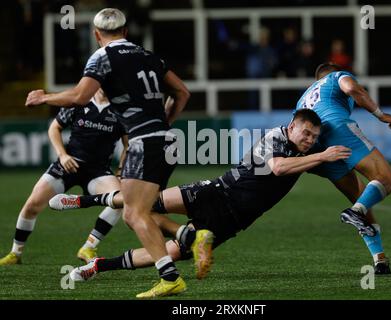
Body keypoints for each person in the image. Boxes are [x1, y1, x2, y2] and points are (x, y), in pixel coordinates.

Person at [24, 8, 210, 299]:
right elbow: (183, 92)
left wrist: (44, 96)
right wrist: (163, 124)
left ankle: (171, 275)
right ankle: (187, 237)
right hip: (167, 141)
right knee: (140, 208)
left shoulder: (102, 57)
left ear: (96, 35)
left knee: (134, 213)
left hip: (143, 142)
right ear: (125, 32)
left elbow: (79, 97)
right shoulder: (149, 56)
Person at [48, 109, 352, 284]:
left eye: (314, 137)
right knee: (147, 203)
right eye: (306, 134)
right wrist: (322, 156)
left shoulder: (307, 153)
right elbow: (278, 167)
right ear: (293, 126)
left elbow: (320, 166)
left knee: (172, 252)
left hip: (236, 219)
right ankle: (82, 201)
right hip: (218, 192)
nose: (309, 140)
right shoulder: (276, 137)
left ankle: (97, 266)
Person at [0, 89, 128, 266]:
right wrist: (62, 155)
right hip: (68, 165)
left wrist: (121, 171)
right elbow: (55, 127)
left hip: (98, 170)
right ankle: (16, 253)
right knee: (32, 205)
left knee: (121, 199)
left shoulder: (121, 108)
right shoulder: (79, 101)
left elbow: (128, 144)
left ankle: (89, 246)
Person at [295, 62, 391, 274]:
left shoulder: (303, 98)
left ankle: (379, 260)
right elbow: (352, 88)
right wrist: (380, 114)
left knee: (362, 198)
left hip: (314, 148)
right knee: (386, 179)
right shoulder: (335, 77)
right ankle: (355, 212)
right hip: (336, 129)